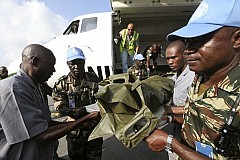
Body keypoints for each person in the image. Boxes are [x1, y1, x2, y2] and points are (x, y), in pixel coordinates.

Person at [146, 0, 240, 159]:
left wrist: (171, 143)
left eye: (200, 39)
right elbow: (198, 117)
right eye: (188, 42)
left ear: (237, 39)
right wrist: (167, 117)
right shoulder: (202, 75)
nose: (188, 51)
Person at [0, 44, 99, 160]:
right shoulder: (14, 90)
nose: (54, 70)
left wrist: (81, 123)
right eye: (50, 65)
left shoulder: (35, 87)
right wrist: (84, 119)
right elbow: (41, 136)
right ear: (35, 62)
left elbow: (45, 124)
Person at [52, 47, 103, 160]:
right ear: (68, 64)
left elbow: (102, 98)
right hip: (75, 130)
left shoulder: (94, 79)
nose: (76, 67)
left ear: (84, 62)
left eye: (79, 63)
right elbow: (60, 106)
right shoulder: (62, 84)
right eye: (72, 64)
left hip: (94, 129)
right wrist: (74, 112)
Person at [165, 40, 195, 160]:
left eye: (173, 58)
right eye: (167, 59)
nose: (170, 62)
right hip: (177, 125)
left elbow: (197, 108)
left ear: (184, 55)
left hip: (191, 128)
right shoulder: (176, 75)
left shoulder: (193, 76)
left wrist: (168, 110)